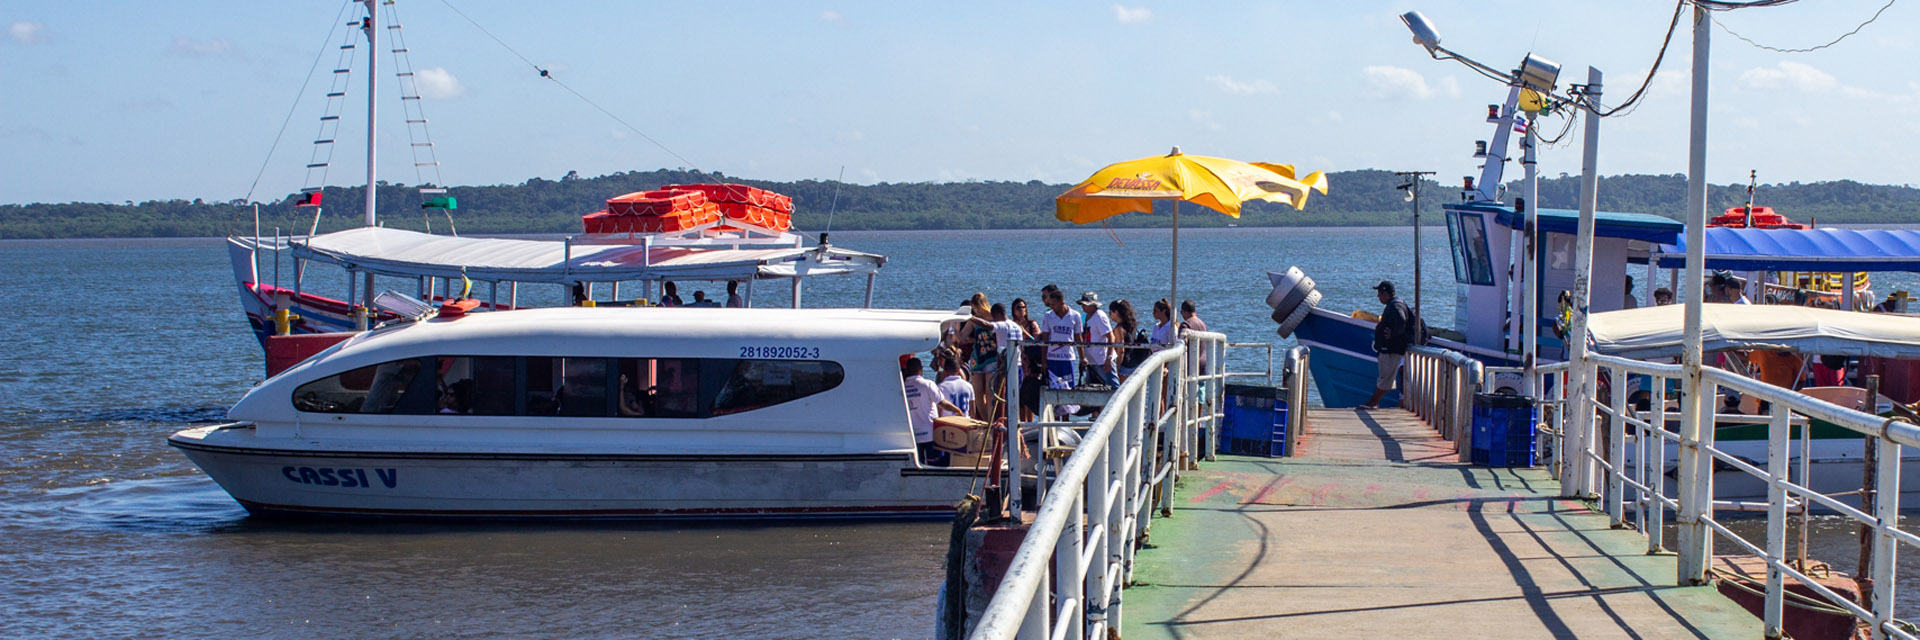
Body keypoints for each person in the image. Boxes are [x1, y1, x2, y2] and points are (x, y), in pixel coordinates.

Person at [1361, 281, 1414, 410]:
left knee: (1385, 378)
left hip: (1391, 350)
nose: (1378, 297)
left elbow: (1401, 320)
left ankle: (1373, 402)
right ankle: (1374, 402)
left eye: (1379, 294)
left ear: (1385, 293)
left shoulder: (1395, 305)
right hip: (1389, 349)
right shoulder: (1394, 304)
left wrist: (1394, 335)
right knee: (1385, 378)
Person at [902, 356, 962, 466]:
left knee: (918, 464)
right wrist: (957, 410)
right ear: (921, 369)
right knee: (935, 464)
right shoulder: (927, 384)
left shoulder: (902, 387)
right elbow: (942, 403)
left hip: (913, 435)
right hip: (930, 433)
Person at [1011, 298, 1046, 422]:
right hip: (1017, 364)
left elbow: (1037, 341)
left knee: (1030, 396)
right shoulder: (1011, 324)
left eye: (1023, 307)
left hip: (1031, 364)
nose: (1021, 310)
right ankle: (1020, 423)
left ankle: (1030, 424)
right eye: (1018, 308)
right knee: (1019, 397)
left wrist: (1024, 331)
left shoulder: (1032, 324)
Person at [1041, 288, 1082, 389]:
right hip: (1052, 357)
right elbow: (1045, 339)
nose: (1052, 307)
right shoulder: (1048, 316)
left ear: (1062, 302)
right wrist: (1044, 360)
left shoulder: (1075, 315)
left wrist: (1082, 358)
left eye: (1054, 304)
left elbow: (1078, 338)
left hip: (1067, 358)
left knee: (1069, 387)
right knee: (1053, 387)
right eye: (1050, 304)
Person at [1078, 292, 1117, 387]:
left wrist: (1109, 358)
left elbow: (1111, 337)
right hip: (1092, 361)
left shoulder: (1099, 316)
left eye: (1085, 304)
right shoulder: (1085, 317)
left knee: (1113, 387)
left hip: (1102, 360)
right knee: (1090, 388)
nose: (1083, 306)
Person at [1110, 299, 1145, 381]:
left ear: (1116, 312)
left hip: (1124, 366)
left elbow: (1120, 350)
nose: (1110, 315)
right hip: (1134, 363)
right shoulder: (1131, 325)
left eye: (1111, 312)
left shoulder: (1119, 329)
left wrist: (1117, 368)